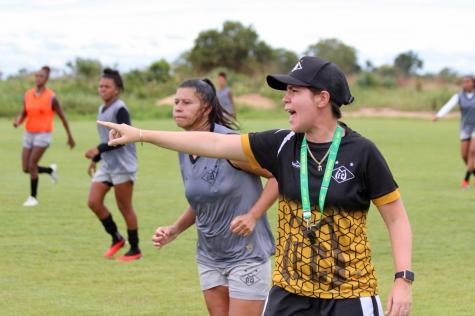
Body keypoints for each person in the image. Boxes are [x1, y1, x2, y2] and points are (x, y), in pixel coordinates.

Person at [99, 56, 414, 316]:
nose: (284, 99)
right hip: (288, 294)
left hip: (349, 294)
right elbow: (212, 142)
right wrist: (141, 134)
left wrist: (403, 279)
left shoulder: (363, 153)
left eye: (293, 91)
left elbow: (396, 219)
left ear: (322, 98)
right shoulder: (281, 145)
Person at [151, 78, 277, 316]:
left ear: (206, 107)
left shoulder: (231, 144)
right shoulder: (185, 147)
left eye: (186, 102)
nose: (178, 107)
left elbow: (278, 176)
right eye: (176, 102)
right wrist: (174, 230)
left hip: (246, 255)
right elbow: (202, 199)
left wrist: (253, 215)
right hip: (210, 257)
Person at [85, 68, 141, 261]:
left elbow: (124, 138)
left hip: (123, 165)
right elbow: (106, 139)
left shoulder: (120, 109)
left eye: (107, 86)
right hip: (108, 165)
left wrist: (98, 149)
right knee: (93, 201)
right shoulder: (102, 109)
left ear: (116, 89)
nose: (102, 89)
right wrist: (96, 158)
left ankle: (135, 248)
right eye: (100, 86)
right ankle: (117, 238)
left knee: (125, 207)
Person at [13, 66, 75, 207]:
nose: (38, 78)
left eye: (41, 76)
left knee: (32, 164)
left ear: (46, 79)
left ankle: (33, 198)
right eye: (36, 76)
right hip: (29, 133)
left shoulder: (51, 97)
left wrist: (70, 137)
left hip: (43, 134)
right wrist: (18, 122)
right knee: (26, 168)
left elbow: (63, 117)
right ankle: (50, 170)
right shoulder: (28, 94)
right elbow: (24, 112)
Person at [433, 75, 475, 188]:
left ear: (473, 83)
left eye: (468, 82)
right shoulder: (459, 96)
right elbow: (448, 106)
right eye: (464, 82)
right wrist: (438, 115)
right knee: (464, 156)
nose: (465, 84)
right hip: (465, 128)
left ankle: (466, 180)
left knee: (472, 151)